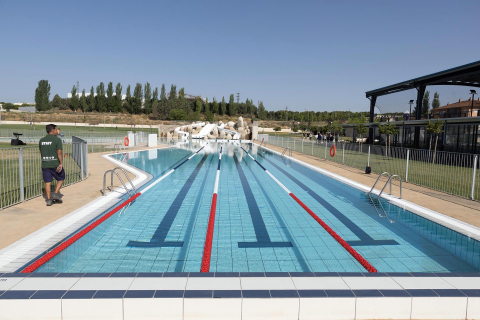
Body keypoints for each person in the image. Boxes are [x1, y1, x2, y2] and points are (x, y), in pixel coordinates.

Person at [39, 124, 65, 206]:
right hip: (55, 164)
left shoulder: (42, 140)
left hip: (45, 164)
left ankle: (49, 200)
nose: (57, 131)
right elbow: (59, 152)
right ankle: (55, 193)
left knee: (47, 182)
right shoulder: (57, 140)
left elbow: (41, 152)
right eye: (56, 129)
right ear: (52, 130)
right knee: (61, 177)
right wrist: (61, 163)